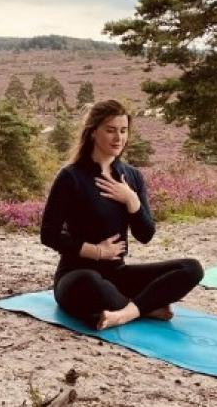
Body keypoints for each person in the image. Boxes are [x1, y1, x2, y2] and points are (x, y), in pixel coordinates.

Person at [40, 99, 204, 330]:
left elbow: (145, 234)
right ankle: (146, 307)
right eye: (110, 130)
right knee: (91, 283)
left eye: (123, 130)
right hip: (76, 275)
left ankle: (126, 313)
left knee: (191, 268)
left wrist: (132, 200)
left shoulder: (132, 176)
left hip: (118, 274)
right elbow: (49, 234)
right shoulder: (71, 177)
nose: (119, 138)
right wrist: (97, 251)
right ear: (93, 132)